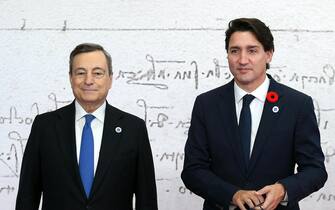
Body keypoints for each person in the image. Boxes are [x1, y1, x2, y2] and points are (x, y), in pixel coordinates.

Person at [181, 18, 327, 210]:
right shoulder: (207, 104)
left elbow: (315, 170)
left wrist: (283, 190)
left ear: (268, 54)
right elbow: (192, 170)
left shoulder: (297, 105)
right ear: (227, 55)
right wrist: (231, 194)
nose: (242, 60)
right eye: (235, 51)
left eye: (252, 50)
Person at [16, 43, 158, 210]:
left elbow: (146, 199)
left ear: (110, 79)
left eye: (97, 73)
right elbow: (27, 196)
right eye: (81, 73)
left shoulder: (134, 129)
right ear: (71, 78)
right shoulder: (45, 127)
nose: (88, 81)